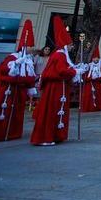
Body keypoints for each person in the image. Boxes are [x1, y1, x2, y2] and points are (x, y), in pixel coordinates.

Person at [30, 16, 78, 145]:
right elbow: (62, 71)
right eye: (71, 45)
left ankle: (55, 135)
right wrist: (75, 72)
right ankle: (46, 136)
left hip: (59, 87)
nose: (72, 47)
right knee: (51, 111)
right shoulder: (60, 55)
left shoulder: (59, 55)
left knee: (55, 111)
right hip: (55, 88)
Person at [0, 20, 37, 142]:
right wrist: (15, 66)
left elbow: (30, 77)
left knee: (16, 112)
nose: (32, 48)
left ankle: (11, 133)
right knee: (0, 111)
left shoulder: (29, 61)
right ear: (25, 47)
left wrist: (28, 83)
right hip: (7, 90)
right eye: (30, 46)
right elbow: (1, 72)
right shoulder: (12, 58)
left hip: (19, 91)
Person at [80, 45, 101, 113]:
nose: (96, 59)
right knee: (88, 96)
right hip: (90, 84)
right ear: (92, 59)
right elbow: (85, 75)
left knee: (98, 96)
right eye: (94, 58)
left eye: (97, 58)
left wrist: (98, 79)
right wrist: (89, 78)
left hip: (98, 84)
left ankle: (97, 108)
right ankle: (88, 108)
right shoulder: (88, 66)